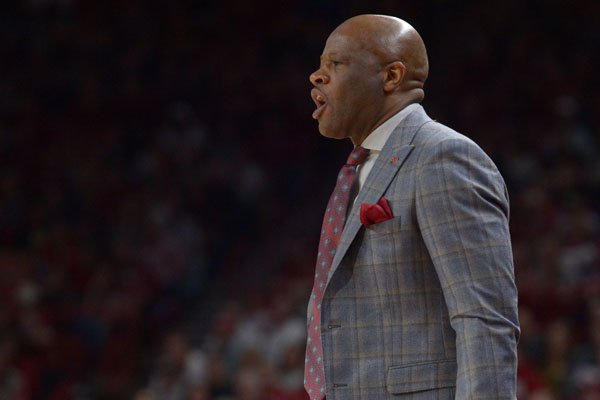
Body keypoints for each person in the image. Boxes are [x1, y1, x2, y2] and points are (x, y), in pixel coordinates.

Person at [304, 14, 520, 400]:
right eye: (320, 67)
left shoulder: (443, 156)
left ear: (391, 77)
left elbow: (484, 318)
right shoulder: (362, 166)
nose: (317, 78)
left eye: (334, 65)